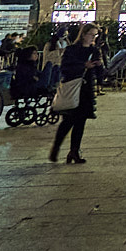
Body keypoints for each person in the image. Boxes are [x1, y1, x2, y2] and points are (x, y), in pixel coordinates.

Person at [50, 25, 101, 164]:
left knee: (80, 122)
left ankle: (74, 151)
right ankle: (56, 147)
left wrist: (99, 66)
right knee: (68, 120)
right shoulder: (72, 50)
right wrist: (83, 65)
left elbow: (101, 73)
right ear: (83, 34)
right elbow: (65, 68)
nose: (93, 38)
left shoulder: (94, 51)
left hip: (85, 90)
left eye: (95, 35)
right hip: (72, 88)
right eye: (91, 34)